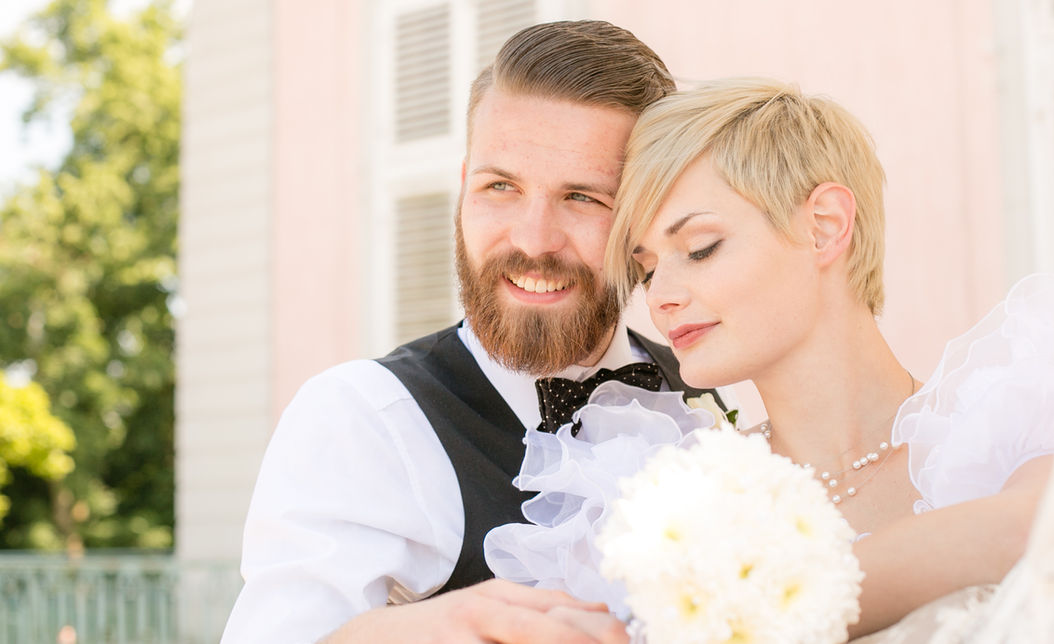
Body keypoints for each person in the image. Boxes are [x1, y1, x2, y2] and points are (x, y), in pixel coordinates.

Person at [221, 20, 721, 644]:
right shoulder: (364, 418)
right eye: (500, 187)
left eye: (585, 198)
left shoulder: (703, 387)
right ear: (463, 188)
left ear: (651, 214)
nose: (533, 240)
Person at [600, 79, 1054, 638]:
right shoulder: (680, 503)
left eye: (700, 248)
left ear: (824, 227)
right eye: (647, 268)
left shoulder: (1018, 421)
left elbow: (1037, 534)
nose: (660, 294)